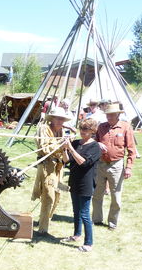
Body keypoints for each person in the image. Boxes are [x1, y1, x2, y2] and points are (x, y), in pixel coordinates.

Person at [92, 101, 137, 230]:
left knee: (116, 196)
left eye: (112, 115)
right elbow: (94, 142)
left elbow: (131, 149)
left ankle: (112, 222)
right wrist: (97, 144)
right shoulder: (101, 127)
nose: (109, 117)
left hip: (116, 165)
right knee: (97, 194)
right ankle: (96, 219)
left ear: (118, 114)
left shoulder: (125, 127)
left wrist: (128, 167)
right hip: (101, 164)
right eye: (107, 115)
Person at [62, 118, 101, 251]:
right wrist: (64, 149)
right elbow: (67, 161)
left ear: (92, 131)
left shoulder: (95, 147)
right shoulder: (76, 143)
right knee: (76, 211)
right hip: (74, 181)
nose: (82, 132)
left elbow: (83, 162)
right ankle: (77, 235)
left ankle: (88, 243)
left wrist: (71, 148)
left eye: (85, 129)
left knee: (84, 213)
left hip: (86, 183)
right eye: (81, 128)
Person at [31, 106, 71, 236]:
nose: (60, 121)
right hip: (47, 166)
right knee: (48, 196)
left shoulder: (61, 131)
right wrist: (61, 144)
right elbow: (44, 149)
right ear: (52, 118)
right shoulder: (44, 129)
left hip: (59, 167)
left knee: (58, 193)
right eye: (58, 118)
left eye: (62, 119)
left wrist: (65, 145)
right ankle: (43, 229)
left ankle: (46, 219)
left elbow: (63, 149)